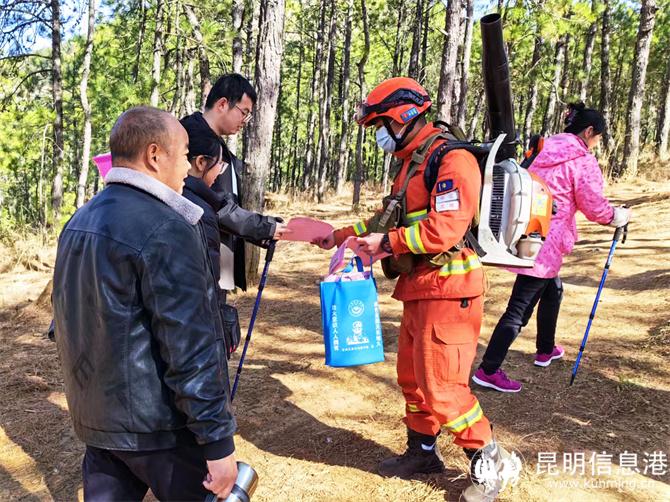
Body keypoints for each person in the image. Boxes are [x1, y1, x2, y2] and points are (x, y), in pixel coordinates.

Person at [314, 77, 513, 500]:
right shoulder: (412, 162)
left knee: (443, 385)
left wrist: (386, 245)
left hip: (450, 288)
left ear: (402, 117)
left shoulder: (451, 160)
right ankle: (422, 452)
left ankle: (488, 462)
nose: (380, 137)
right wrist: (341, 235)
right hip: (420, 288)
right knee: (414, 378)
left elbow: (445, 229)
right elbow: (388, 219)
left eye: (381, 126)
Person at [52, 106, 238, 501]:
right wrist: (218, 442)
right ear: (154, 155)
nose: (188, 169)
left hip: (99, 424)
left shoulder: (79, 220)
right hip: (158, 428)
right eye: (185, 154)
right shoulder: (167, 227)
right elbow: (189, 346)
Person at [472, 102, 631, 393]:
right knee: (518, 309)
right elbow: (594, 206)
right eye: (598, 137)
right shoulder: (581, 160)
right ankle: (488, 370)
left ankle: (545, 350)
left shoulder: (543, 147)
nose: (597, 143)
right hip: (546, 242)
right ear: (589, 131)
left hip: (527, 234)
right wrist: (616, 216)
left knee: (554, 290)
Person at [180, 73, 287, 297]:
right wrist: (263, 227)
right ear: (222, 104)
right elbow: (216, 208)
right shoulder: (191, 139)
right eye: (244, 112)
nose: (245, 122)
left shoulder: (218, 146)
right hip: (198, 262)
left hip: (216, 258)